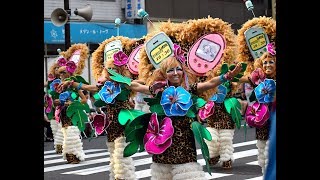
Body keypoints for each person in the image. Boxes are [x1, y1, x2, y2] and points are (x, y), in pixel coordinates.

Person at [127, 56, 243, 179]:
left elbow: (210, 84)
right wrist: (122, 81)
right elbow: (136, 87)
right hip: (164, 139)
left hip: (184, 141)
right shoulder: (159, 91)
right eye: (170, 70)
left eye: (178, 69)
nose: (176, 73)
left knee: (187, 172)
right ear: (164, 73)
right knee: (163, 172)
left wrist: (226, 77)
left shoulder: (189, 89)